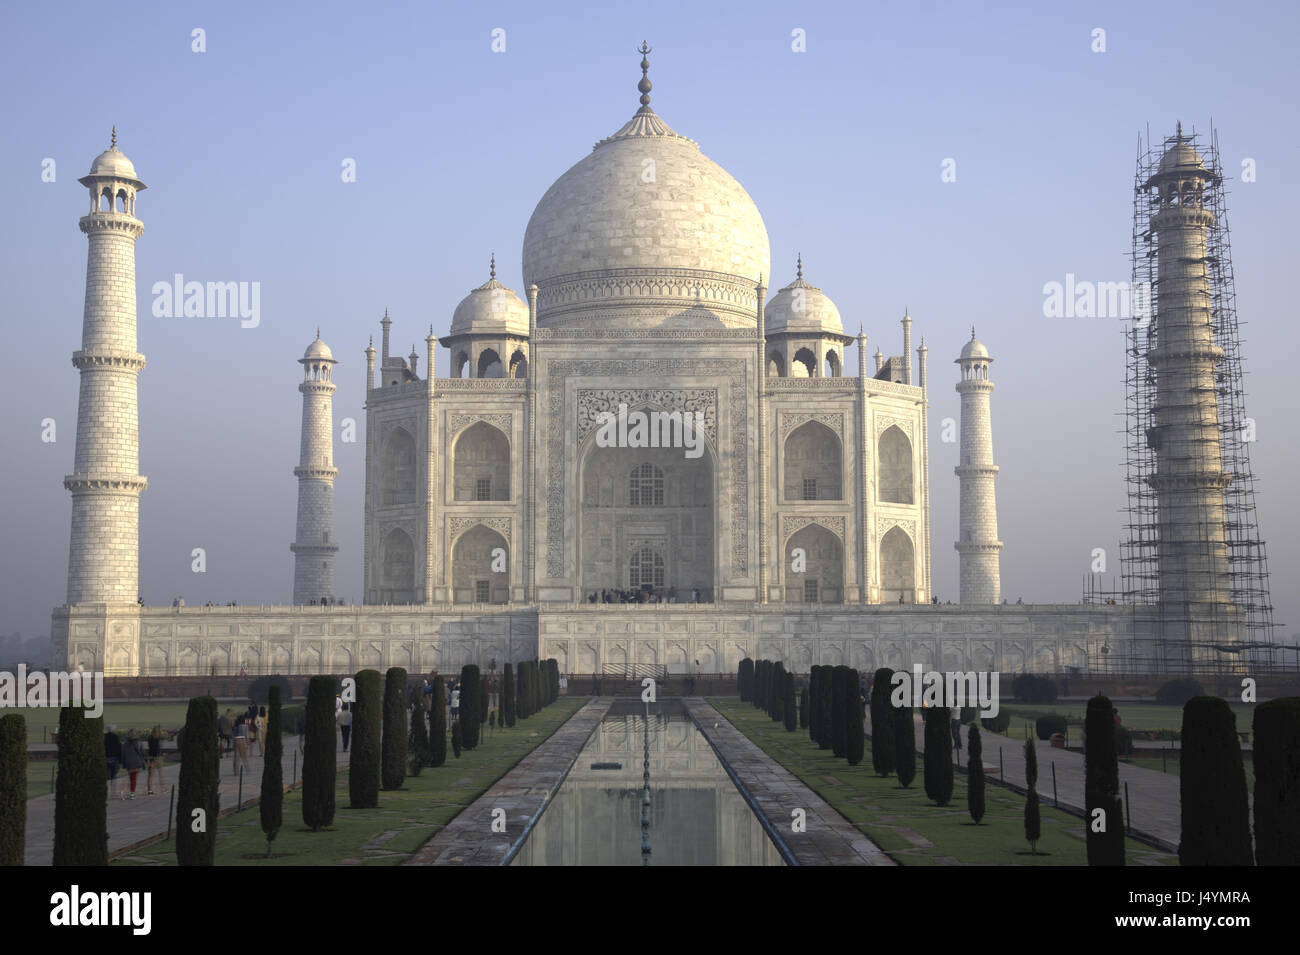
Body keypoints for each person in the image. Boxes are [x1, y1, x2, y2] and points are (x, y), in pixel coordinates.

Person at [121, 730, 145, 798]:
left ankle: (129, 791)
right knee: (133, 778)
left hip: (128, 763)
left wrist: (123, 763)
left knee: (131, 777)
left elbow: (123, 754)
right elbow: (142, 753)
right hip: (136, 762)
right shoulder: (139, 743)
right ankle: (132, 793)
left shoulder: (125, 743)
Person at [104, 725, 123, 799]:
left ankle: (105, 792)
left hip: (106, 758)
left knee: (106, 776)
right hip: (114, 759)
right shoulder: (115, 737)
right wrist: (120, 760)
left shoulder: (104, 737)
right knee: (113, 776)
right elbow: (119, 749)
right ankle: (113, 792)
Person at [146, 725, 164, 795]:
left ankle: (149, 789)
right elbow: (158, 749)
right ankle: (162, 788)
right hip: (157, 758)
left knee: (150, 775)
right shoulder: (158, 739)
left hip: (150, 757)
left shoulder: (149, 738)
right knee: (160, 774)